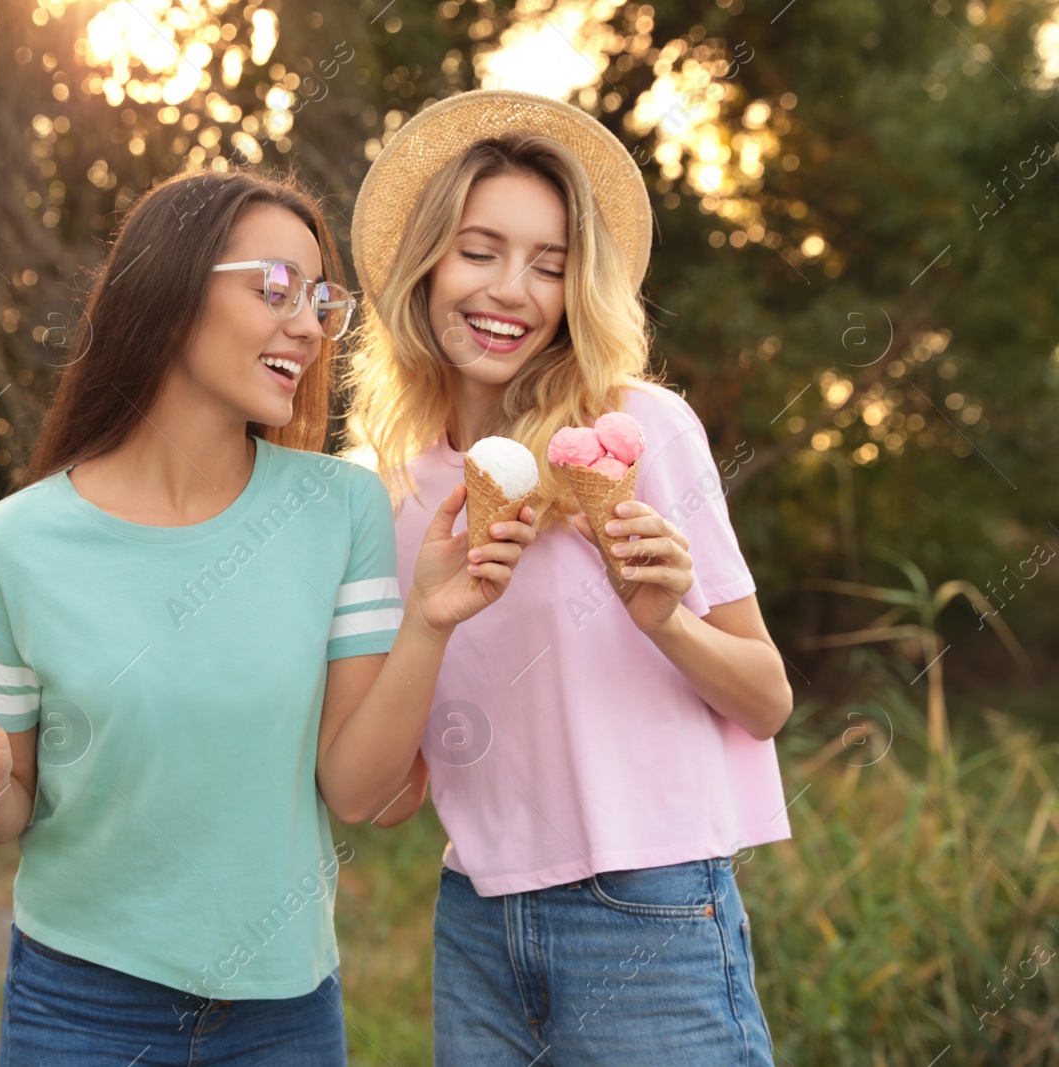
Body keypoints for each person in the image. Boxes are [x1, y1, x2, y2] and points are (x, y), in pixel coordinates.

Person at [0, 168, 534, 1066]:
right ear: (169, 292)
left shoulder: (342, 511)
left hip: (282, 1016)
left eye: (322, 300)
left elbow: (360, 795)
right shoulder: (13, 544)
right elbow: (9, 809)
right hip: (79, 1003)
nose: (311, 327)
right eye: (275, 289)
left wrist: (431, 622)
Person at [346, 89, 793, 1064]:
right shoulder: (384, 493)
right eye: (479, 249)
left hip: (649, 905)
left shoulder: (644, 429)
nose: (511, 289)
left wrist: (665, 619)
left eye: (549, 265)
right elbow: (384, 794)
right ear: (424, 263)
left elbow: (766, 701)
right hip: (475, 915)